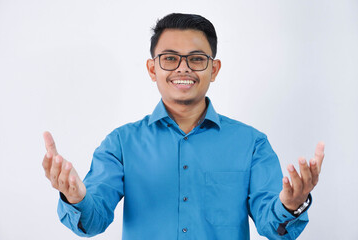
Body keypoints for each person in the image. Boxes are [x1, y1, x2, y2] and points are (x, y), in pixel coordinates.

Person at [42, 13, 325, 240]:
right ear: (153, 69)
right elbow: (92, 222)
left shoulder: (251, 144)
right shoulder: (120, 143)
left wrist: (291, 204)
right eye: (170, 58)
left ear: (213, 69)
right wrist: (76, 198)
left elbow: (273, 227)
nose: (183, 68)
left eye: (197, 59)